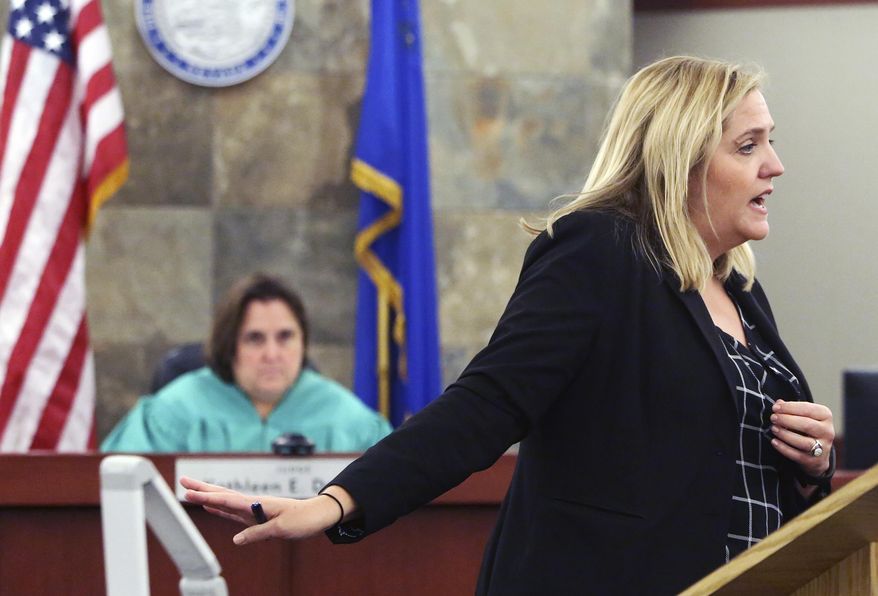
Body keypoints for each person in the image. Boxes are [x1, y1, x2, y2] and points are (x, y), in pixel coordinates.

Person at [181, 56, 836, 594]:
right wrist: (337, 502)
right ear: (679, 158)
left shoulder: (741, 291)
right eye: (748, 146)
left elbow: (738, 472)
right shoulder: (600, 251)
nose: (774, 165)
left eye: (770, 141)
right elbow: (489, 401)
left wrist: (811, 464)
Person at [101, 273, 392, 453]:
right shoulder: (171, 412)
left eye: (285, 337)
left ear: (303, 343)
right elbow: (114, 489)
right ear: (229, 346)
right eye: (255, 339)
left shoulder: (351, 421)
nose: (272, 354)